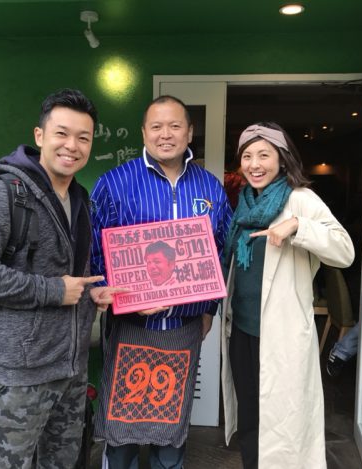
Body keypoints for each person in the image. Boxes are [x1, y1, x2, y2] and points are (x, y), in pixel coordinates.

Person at [0, 89, 123, 468]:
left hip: (71, 369)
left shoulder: (80, 200)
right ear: (40, 136)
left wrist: (91, 293)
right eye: (62, 133)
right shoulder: (6, 194)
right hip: (21, 373)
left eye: (83, 137)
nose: (72, 145)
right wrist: (54, 290)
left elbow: (69, 277)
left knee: (62, 463)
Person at [90, 95, 233, 469]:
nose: (165, 134)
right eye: (156, 126)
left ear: (190, 132)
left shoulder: (210, 188)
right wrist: (121, 295)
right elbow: (93, 251)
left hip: (183, 329)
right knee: (120, 433)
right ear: (144, 133)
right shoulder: (114, 183)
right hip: (129, 327)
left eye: (174, 126)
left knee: (171, 434)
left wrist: (209, 309)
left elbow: (220, 251)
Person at [220, 122, 355, 468]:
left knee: (283, 423)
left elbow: (344, 251)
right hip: (243, 331)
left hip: (281, 332)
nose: (254, 164)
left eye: (264, 155)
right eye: (247, 156)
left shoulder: (300, 199)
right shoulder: (244, 204)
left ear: (282, 159)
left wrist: (298, 226)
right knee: (251, 416)